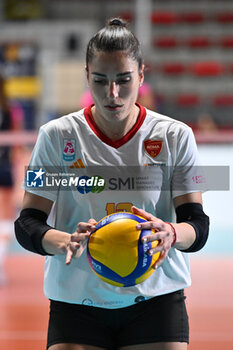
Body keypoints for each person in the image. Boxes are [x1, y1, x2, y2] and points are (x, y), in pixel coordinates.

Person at [14, 18, 209, 350]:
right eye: (101, 81)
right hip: (76, 303)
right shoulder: (56, 136)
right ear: (87, 76)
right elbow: (27, 224)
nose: (112, 94)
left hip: (155, 299)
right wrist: (65, 241)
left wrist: (171, 233)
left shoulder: (176, 136)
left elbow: (197, 225)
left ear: (141, 76)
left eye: (124, 80)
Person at [0, 74, 14, 285]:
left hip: (3, 168)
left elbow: (15, 143)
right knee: (5, 220)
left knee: (5, 220)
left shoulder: (8, 112)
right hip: (4, 168)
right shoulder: (8, 111)